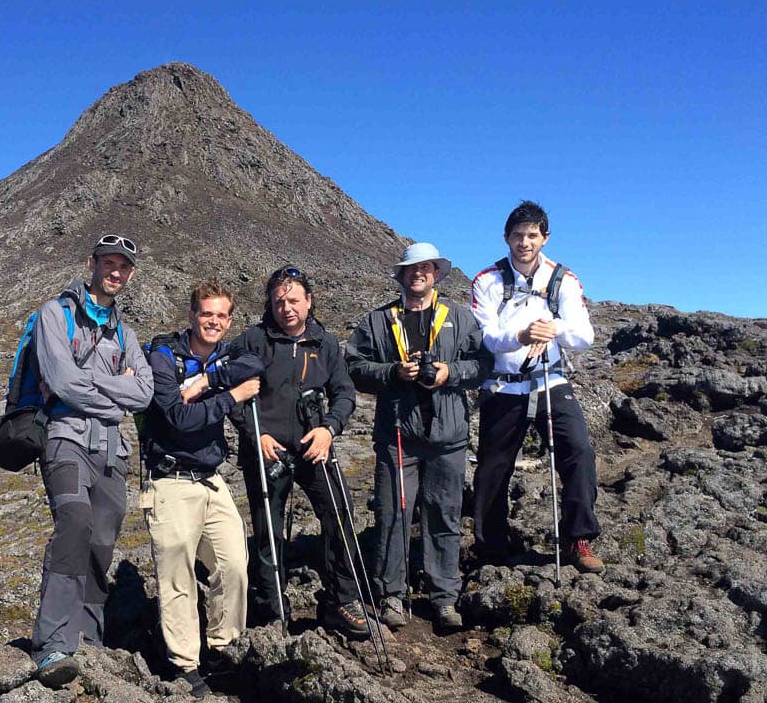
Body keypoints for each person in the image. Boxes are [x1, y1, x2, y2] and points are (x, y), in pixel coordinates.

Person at [346, 243, 492, 632]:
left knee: (444, 514)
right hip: (398, 435)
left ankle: (444, 597)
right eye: (411, 269)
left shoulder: (459, 318)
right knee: (393, 512)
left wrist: (450, 373)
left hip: (449, 436)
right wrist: (392, 373)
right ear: (401, 275)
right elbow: (354, 366)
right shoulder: (377, 322)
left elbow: (483, 364)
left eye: (425, 268)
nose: (418, 274)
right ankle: (391, 594)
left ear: (436, 274)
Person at [31, 234, 154, 687]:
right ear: (92, 263)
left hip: (112, 451)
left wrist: (95, 385)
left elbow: (144, 392)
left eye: (124, 265)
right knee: (74, 524)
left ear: (131, 274)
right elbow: (62, 382)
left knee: (102, 540)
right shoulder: (55, 315)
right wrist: (112, 390)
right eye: (108, 262)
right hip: (64, 439)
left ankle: (89, 638)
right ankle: (52, 645)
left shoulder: (125, 331)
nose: (115, 271)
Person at [229, 265, 368, 638]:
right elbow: (232, 394)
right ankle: (272, 607)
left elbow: (344, 393)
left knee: (340, 514)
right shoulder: (253, 341)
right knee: (267, 530)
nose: (286, 308)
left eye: (293, 300)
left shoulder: (326, 344)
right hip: (267, 450)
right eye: (278, 302)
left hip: (314, 447)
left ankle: (342, 600)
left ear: (309, 301)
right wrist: (254, 434)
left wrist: (329, 429)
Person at [141, 281, 264, 698]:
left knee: (233, 565)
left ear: (229, 321)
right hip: (170, 481)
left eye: (221, 316)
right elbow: (177, 418)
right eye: (206, 313)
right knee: (176, 576)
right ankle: (185, 665)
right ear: (192, 315)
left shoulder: (227, 353)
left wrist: (207, 380)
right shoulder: (162, 357)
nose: (213, 321)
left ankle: (223, 647)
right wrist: (229, 396)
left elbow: (255, 364)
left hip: (212, 481)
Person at [470, 201, 604, 573]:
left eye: (532, 235)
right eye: (517, 235)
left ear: (545, 238)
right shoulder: (487, 281)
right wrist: (523, 334)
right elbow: (489, 337)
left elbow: (584, 336)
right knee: (493, 467)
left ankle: (579, 539)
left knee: (578, 453)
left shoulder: (564, 279)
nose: (524, 242)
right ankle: (491, 547)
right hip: (504, 387)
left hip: (551, 381)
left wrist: (554, 327)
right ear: (506, 238)